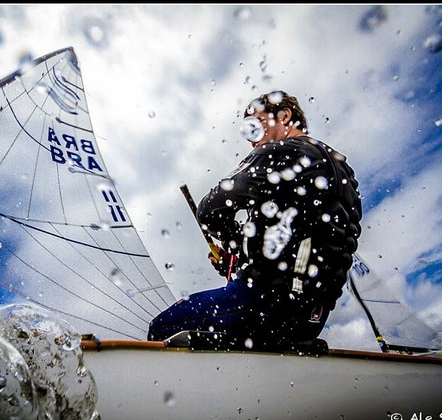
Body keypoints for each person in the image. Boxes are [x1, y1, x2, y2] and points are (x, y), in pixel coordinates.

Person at [147, 90, 362, 352]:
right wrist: (235, 257)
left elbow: (209, 211)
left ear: (284, 116)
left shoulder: (280, 151)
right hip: (309, 319)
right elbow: (301, 238)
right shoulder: (343, 173)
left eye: (255, 125)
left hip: (262, 305)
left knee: (161, 327)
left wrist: (232, 238)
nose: (251, 140)